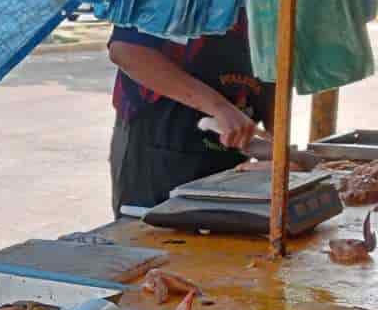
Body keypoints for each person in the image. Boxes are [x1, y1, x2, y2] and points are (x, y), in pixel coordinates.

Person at [105, 16, 273, 214]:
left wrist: (275, 144)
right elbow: (127, 51)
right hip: (159, 154)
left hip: (229, 162)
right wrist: (220, 107)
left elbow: (274, 72)